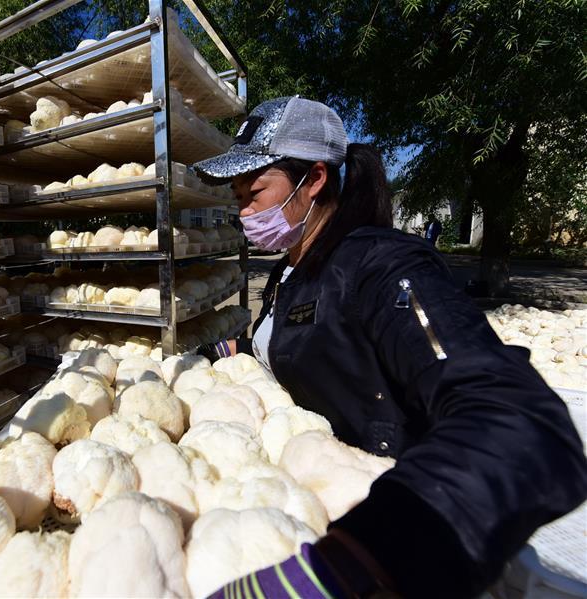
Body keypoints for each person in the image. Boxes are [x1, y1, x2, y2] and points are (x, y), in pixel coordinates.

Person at [192, 96, 587, 599]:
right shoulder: (290, 270)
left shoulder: (384, 269)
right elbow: (283, 342)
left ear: (314, 180)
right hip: (306, 501)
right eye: (238, 197)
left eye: (255, 192)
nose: (243, 211)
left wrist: (357, 561)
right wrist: (213, 355)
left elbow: (523, 426)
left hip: (379, 529)